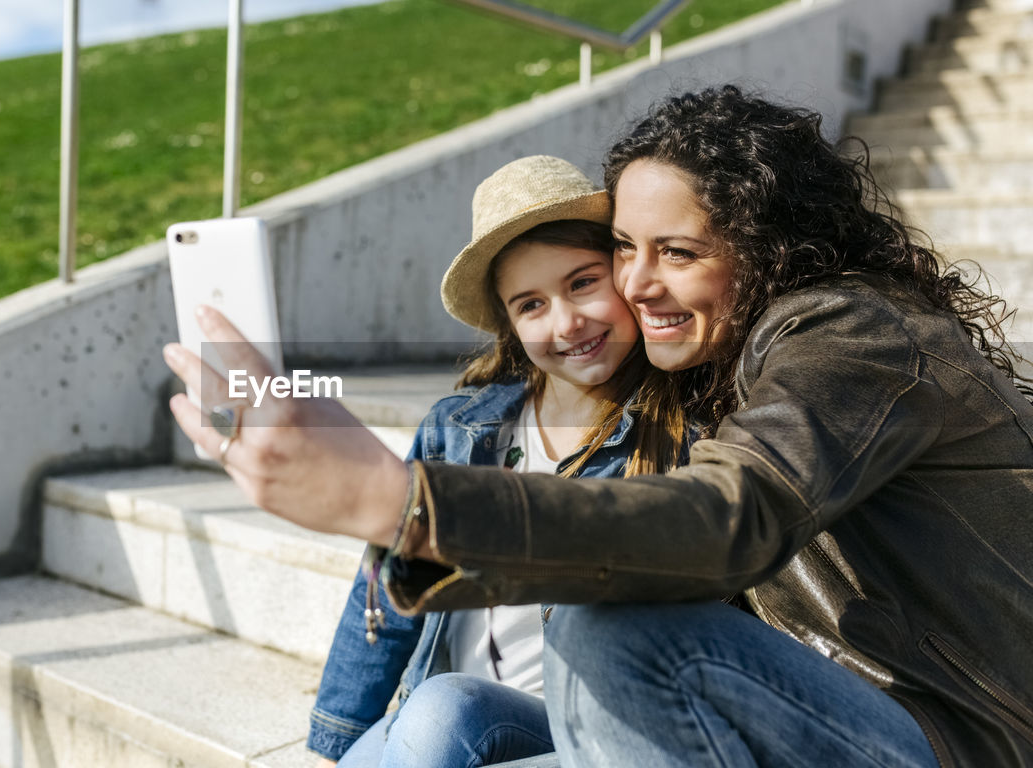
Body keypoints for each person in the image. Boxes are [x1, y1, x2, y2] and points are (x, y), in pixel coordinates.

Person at [164, 85, 1033, 767]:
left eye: (678, 252)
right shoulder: (712, 370)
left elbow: (732, 517)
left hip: (943, 738)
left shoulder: (855, 336)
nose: (638, 284)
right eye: (626, 247)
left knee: (606, 623)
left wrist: (396, 499)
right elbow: (383, 610)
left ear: (768, 246)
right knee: (448, 709)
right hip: (799, 705)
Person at [307, 155, 690, 768]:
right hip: (446, 728)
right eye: (531, 305)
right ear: (510, 325)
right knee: (428, 718)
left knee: (440, 708)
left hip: (581, 732)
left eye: (583, 282)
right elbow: (382, 596)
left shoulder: (675, 435)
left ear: (622, 273)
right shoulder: (458, 431)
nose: (566, 322)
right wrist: (334, 742)